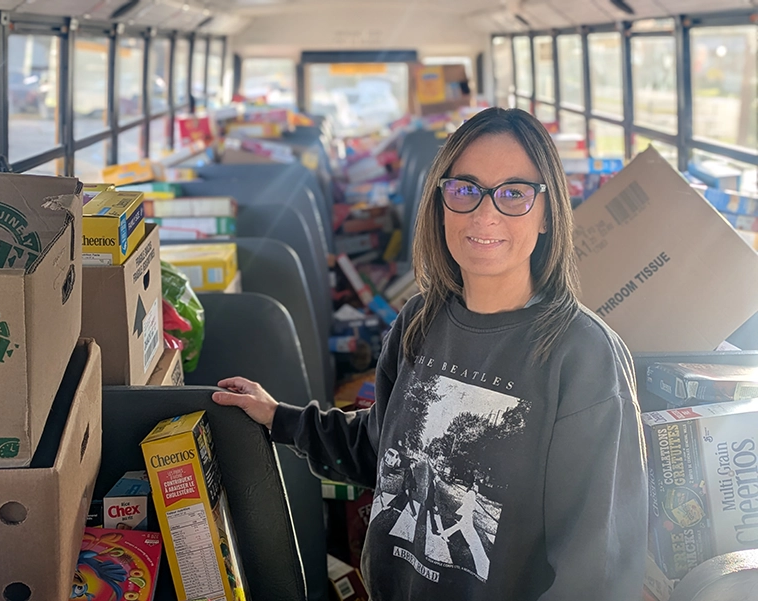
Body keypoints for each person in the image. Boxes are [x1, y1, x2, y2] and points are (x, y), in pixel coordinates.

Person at [212, 107, 648, 600]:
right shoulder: (420, 320)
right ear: (441, 201)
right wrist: (280, 419)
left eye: (514, 193)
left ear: (548, 213)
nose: (485, 214)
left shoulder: (584, 356)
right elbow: (382, 449)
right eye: (465, 189)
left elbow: (597, 571)